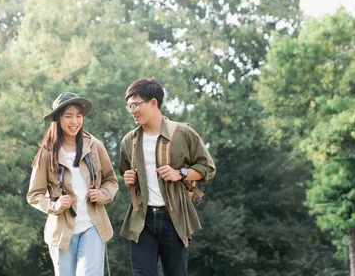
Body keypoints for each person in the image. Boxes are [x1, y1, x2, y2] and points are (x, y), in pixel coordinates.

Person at [118, 78, 216, 276]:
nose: (133, 111)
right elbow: (125, 171)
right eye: (129, 107)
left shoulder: (183, 133)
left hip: (174, 218)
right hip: (142, 219)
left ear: (153, 102)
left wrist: (179, 173)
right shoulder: (129, 140)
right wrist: (128, 178)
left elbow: (208, 167)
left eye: (136, 105)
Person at [27, 92, 119, 276]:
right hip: (61, 232)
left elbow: (111, 180)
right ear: (57, 119)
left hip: (93, 226)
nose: (74, 121)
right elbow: (34, 195)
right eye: (68, 116)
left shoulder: (95, 145)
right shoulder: (46, 153)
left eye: (78, 116)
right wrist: (55, 205)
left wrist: (101, 194)